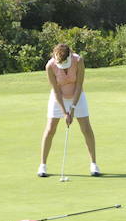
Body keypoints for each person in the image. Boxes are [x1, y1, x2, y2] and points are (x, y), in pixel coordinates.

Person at [38, 44, 100, 177]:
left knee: (86, 128)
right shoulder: (50, 66)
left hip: (77, 96)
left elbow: (79, 85)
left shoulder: (78, 61)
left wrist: (72, 109)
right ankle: (42, 166)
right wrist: (64, 111)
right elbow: (55, 90)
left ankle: (94, 164)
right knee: (50, 129)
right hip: (58, 98)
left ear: (70, 56)